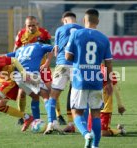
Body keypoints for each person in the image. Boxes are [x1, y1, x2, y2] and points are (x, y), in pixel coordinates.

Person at [65, 9, 113, 148]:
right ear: (97, 21)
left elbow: (68, 56)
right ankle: (95, 146)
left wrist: (79, 59)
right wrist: (109, 82)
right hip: (96, 80)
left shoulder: (76, 34)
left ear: (83, 21)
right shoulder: (104, 38)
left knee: (77, 112)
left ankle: (86, 134)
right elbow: (108, 62)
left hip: (80, 79)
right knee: (96, 114)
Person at [14, 16, 65, 125]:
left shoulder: (44, 33)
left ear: (37, 24)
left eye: (34, 25)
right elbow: (16, 50)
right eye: (29, 26)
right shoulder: (21, 34)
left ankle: (58, 114)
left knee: (51, 90)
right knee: (22, 93)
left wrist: (47, 63)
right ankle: (21, 116)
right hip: (27, 70)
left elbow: (50, 48)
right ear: (25, 25)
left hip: (42, 67)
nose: (31, 27)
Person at [7, 42, 63, 134]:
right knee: (46, 96)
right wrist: (47, 63)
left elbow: (5, 57)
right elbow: (54, 49)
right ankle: (51, 123)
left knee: (35, 96)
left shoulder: (19, 50)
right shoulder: (40, 46)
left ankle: (36, 121)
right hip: (30, 75)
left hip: (17, 77)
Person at [50, 11, 84, 133]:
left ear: (64, 20)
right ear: (74, 19)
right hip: (77, 66)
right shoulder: (82, 29)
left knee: (53, 95)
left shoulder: (60, 30)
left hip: (62, 64)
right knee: (73, 95)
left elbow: (56, 50)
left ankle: (52, 123)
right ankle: (72, 123)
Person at [87, 64, 126, 136]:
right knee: (90, 131)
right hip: (93, 109)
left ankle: (120, 130)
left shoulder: (108, 72)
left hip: (105, 109)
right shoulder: (90, 70)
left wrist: (120, 105)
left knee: (103, 133)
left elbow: (116, 89)